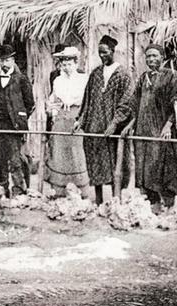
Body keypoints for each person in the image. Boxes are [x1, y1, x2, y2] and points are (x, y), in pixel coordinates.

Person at [121, 44, 177, 213]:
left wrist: (168, 125)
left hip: (161, 131)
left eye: (154, 56)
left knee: (165, 166)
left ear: (162, 57)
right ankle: (154, 204)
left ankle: (169, 205)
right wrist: (130, 125)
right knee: (145, 167)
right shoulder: (144, 78)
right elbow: (135, 105)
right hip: (144, 130)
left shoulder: (172, 76)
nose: (151, 59)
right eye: (148, 56)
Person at [76, 35, 132, 204]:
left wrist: (115, 123)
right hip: (94, 127)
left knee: (116, 162)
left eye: (105, 52)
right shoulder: (95, 74)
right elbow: (88, 100)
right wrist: (81, 120)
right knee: (95, 162)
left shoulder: (123, 75)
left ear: (113, 51)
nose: (102, 55)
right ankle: (98, 199)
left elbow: (127, 102)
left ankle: (116, 199)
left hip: (112, 129)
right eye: (100, 53)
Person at [0, 45, 35, 198]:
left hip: (14, 126)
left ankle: (19, 190)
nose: (5, 64)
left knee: (15, 159)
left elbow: (30, 104)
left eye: (8, 60)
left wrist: (20, 118)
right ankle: (2, 189)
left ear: (13, 60)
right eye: (3, 61)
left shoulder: (21, 79)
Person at [44, 47, 89, 197]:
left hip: (77, 117)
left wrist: (81, 118)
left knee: (77, 152)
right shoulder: (58, 80)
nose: (67, 67)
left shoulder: (83, 79)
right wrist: (52, 109)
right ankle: (60, 189)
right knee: (60, 152)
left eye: (70, 63)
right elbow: (53, 99)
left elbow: (87, 102)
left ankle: (81, 189)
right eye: (64, 64)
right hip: (62, 118)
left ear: (76, 64)